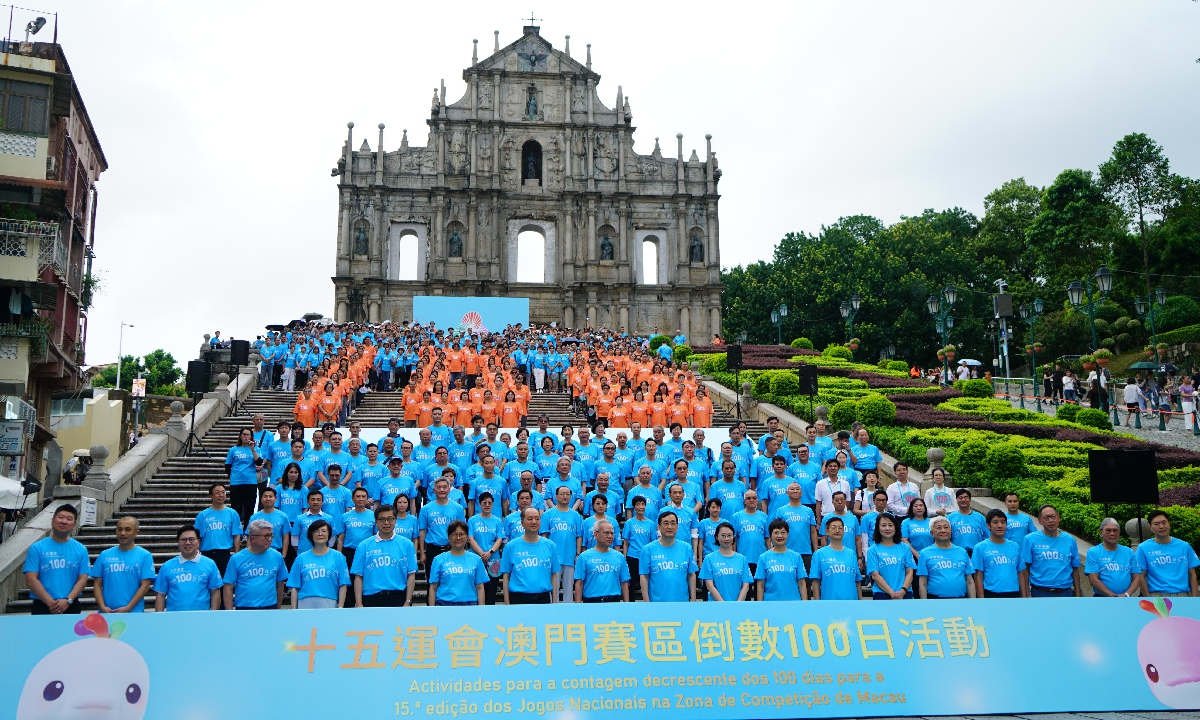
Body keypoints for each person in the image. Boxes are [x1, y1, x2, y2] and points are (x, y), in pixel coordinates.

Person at [23, 504, 90, 615]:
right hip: (42, 605)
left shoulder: (81, 550)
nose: (64, 521)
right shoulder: (37, 548)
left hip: (71, 604)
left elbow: (82, 579)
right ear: (52, 521)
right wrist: (50, 603)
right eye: (60, 517)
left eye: (69, 519)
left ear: (74, 525)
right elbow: (31, 579)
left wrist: (68, 600)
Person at [352, 505, 419, 607]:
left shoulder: (407, 544)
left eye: (390, 519)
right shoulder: (364, 546)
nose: (386, 523)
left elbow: (411, 574)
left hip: (398, 597)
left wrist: (408, 601)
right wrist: (359, 602)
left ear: (395, 520)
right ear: (376, 521)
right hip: (371, 598)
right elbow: (358, 576)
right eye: (382, 519)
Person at [90, 516, 156, 613]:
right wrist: (102, 607)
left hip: (134, 613)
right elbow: (97, 584)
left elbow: (145, 586)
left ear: (136, 532)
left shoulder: (145, 556)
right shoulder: (104, 555)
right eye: (119, 529)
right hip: (107, 613)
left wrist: (128, 608)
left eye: (127, 529)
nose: (123, 533)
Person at [222, 519, 289, 610]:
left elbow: (280, 584)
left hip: (269, 607)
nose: (270, 539)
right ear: (253, 538)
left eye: (271, 535)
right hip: (245, 608)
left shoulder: (277, 556)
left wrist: (278, 608)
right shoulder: (236, 559)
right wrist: (230, 613)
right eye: (266, 536)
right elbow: (228, 588)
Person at [154, 525, 223, 611]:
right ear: (178, 543)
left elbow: (215, 592)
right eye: (183, 540)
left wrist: (213, 616)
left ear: (198, 541)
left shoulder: (210, 564)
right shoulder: (167, 566)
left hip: (201, 617)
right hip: (174, 618)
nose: (187, 543)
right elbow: (160, 595)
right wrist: (160, 619)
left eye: (191, 539)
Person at [1019, 504, 1081, 598]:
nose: (1050, 520)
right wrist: (1027, 594)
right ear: (1039, 520)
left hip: (1065, 592)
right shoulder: (1030, 539)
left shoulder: (1070, 540)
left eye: (1053, 517)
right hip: (1039, 592)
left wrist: (1078, 594)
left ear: (1058, 518)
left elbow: (1075, 569)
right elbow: (1025, 569)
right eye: (1046, 518)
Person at [501, 507, 561, 604]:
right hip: (519, 599)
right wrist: (507, 603)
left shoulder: (550, 546)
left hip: (543, 598)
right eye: (530, 519)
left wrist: (554, 602)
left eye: (537, 519)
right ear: (522, 522)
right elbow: (506, 576)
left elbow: (553, 575)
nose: (534, 522)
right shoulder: (510, 547)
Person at [1135, 509, 1200, 597]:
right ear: (1150, 527)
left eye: (1164, 522)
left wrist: (1194, 600)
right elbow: (1141, 575)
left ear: (1169, 524)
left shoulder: (1184, 546)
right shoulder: (1143, 548)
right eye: (1156, 524)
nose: (1161, 526)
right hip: (1157, 596)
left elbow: (1192, 574)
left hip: (1183, 595)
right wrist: (1148, 598)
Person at [287, 519, 350, 609]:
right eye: (316, 531)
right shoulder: (301, 558)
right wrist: (294, 610)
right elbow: (294, 587)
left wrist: (340, 606)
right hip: (305, 602)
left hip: (329, 601)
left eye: (324, 531)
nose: (320, 534)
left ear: (329, 534)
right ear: (311, 535)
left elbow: (343, 584)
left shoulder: (338, 557)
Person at [639, 511, 698, 602]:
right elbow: (644, 576)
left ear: (677, 527)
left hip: (682, 603)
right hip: (657, 604)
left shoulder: (687, 548)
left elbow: (691, 575)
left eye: (673, 523)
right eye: (666, 523)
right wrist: (647, 603)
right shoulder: (648, 550)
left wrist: (693, 600)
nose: (669, 527)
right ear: (659, 527)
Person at [428, 520, 488, 606]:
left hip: (469, 605)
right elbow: (433, 588)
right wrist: (432, 610)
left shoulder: (476, 560)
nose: (458, 538)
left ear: (467, 537)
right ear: (448, 537)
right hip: (444, 605)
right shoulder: (438, 560)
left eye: (462, 534)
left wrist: (481, 610)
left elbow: (480, 587)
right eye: (454, 534)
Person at [419, 476, 467, 580]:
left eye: (444, 487)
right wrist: (422, 553)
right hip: (433, 549)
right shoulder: (426, 509)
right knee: (432, 581)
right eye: (439, 487)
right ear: (434, 490)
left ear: (449, 489)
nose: (442, 490)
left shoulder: (458, 508)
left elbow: (462, 530)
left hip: (452, 548)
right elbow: (422, 532)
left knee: (452, 580)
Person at [917, 517, 976, 599]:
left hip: (961, 600)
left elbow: (969, 581)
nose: (943, 530)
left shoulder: (962, 552)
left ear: (951, 531)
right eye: (938, 528)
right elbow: (923, 583)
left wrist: (973, 602)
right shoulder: (925, 553)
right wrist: (925, 604)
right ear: (932, 533)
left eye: (946, 527)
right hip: (935, 599)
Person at [195, 483, 243, 584]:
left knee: (224, 583)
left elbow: (236, 535)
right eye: (217, 493)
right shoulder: (203, 515)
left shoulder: (232, 513)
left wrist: (237, 554)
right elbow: (198, 537)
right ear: (211, 496)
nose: (221, 495)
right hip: (207, 554)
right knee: (207, 583)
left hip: (224, 553)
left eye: (223, 492)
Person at [574, 519, 631, 602]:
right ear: (595, 534)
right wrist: (578, 606)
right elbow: (579, 583)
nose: (610, 536)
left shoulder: (619, 557)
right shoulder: (584, 557)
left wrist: (626, 605)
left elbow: (624, 583)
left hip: (613, 602)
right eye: (606, 533)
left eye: (612, 533)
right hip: (591, 602)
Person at [972, 509, 1024, 598]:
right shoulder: (980, 547)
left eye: (1003, 522)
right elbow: (978, 576)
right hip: (991, 593)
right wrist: (981, 600)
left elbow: (1020, 573)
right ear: (988, 525)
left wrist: (1024, 597)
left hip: (1014, 593)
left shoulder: (1015, 546)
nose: (1000, 525)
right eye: (995, 522)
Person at [1086, 517, 1143, 597]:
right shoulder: (1093, 552)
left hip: (1125, 599)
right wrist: (1113, 596)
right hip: (1102, 598)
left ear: (1119, 532)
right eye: (1108, 530)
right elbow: (1093, 580)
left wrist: (1126, 594)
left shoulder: (1128, 552)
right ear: (1101, 532)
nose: (1112, 533)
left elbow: (1137, 577)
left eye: (1115, 530)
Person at [809, 516, 862, 600]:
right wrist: (817, 602)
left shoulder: (851, 554)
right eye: (834, 528)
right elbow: (816, 581)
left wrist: (860, 601)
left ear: (844, 531)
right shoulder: (819, 554)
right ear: (827, 531)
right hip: (829, 602)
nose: (837, 530)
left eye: (840, 528)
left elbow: (857, 580)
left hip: (851, 602)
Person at [755, 519, 808, 601]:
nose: (780, 536)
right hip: (771, 603)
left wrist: (805, 604)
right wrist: (760, 605)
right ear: (770, 535)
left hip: (793, 602)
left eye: (783, 532)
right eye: (776, 533)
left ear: (787, 534)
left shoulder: (796, 556)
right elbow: (760, 584)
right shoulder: (763, 558)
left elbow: (801, 583)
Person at [866, 513, 915, 599]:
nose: (887, 528)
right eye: (883, 525)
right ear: (878, 528)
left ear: (895, 528)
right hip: (882, 594)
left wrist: (903, 591)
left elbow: (910, 572)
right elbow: (875, 575)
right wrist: (892, 593)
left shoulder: (905, 547)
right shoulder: (872, 550)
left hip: (904, 593)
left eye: (890, 525)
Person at [467, 492, 504, 604]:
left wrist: (490, 552)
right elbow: (471, 538)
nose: (487, 505)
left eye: (490, 503)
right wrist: (481, 553)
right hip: (476, 558)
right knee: (476, 589)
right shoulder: (472, 520)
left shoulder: (497, 521)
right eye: (484, 503)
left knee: (491, 591)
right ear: (479, 504)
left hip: (494, 560)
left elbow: (499, 539)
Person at [699, 522, 751, 602]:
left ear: (733, 537)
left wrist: (737, 604)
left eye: (729, 535)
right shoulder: (709, 559)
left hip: (738, 607)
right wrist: (724, 605)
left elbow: (746, 585)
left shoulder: (742, 559)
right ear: (717, 537)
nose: (726, 539)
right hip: (717, 607)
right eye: (723, 536)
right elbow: (709, 585)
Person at [226, 427, 264, 528]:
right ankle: (236, 531)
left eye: (248, 434)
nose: (245, 436)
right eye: (243, 434)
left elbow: (259, 462)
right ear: (240, 436)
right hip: (236, 483)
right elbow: (228, 466)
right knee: (236, 508)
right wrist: (234, 476)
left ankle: (247, 531)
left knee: (249, 508)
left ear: (251, 436)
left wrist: (253, 449)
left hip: (250, 482)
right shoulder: (233, 450)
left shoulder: (255, 449)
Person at [621, 496, 656, 599]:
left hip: (646, 557)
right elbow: (626, 542)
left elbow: (653, 542)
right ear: (634, 507)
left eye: (643, 504)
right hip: (633, 556)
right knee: (631, 583)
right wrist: (625, 557)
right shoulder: (629, 523)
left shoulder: (650, 523)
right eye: (638, 504)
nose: (641, 507)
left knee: (647, 582)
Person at [248, 487, 291, 556]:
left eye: (270, 496)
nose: (268, 499)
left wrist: (284, 555)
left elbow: (286, 537)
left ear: (275, 499)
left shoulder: (283, 516)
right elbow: (250, 538)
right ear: (261, 499)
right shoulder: (254, 517)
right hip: (258, 551)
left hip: (276, 551)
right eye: (265, 496)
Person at [947, 489, 988, 555]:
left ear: (970, 500)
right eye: (960, 498)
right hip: (957, 554)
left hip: (977, 554)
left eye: (966, 497)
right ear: (956, 501)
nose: (963, 500)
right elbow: (947, 538)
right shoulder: (950, 518)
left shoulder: (979, 517)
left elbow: (986, 537)